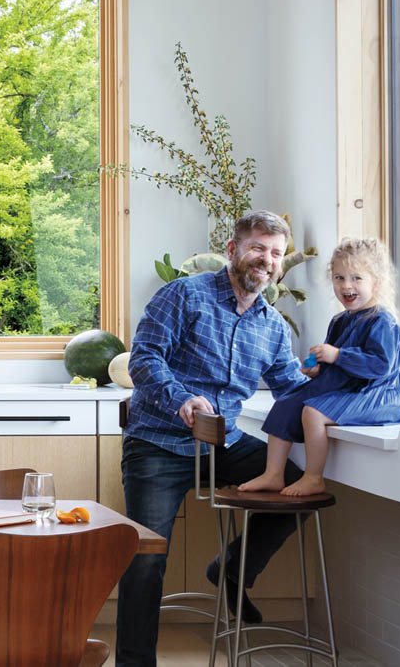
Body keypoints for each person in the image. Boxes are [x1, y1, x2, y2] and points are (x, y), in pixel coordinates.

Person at [116, 210, 311, 667]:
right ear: (233, 249)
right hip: (158, 442)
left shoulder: (272, 326)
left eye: (276, 253)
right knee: (145, 559)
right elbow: (144, 359)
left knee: (296, 488)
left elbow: (291, 387)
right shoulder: (184, 294)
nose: (266, 259)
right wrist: (181, 398)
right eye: (258, 247)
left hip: (223, 444)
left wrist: (351, 386)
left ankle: (230, 569)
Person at [239, 237, 400, 496]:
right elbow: (335, 364)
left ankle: (313, 477)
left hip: (375, 395)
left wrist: (337, 355)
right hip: (347, 389)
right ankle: (273, 474)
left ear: (377, 282)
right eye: (339, 278)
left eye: (357, 278)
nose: (347, 285)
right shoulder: (340, 320)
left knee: (313, 413)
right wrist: (317, 368)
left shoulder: (382, 320)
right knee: (285, 403)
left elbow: (380, 366)